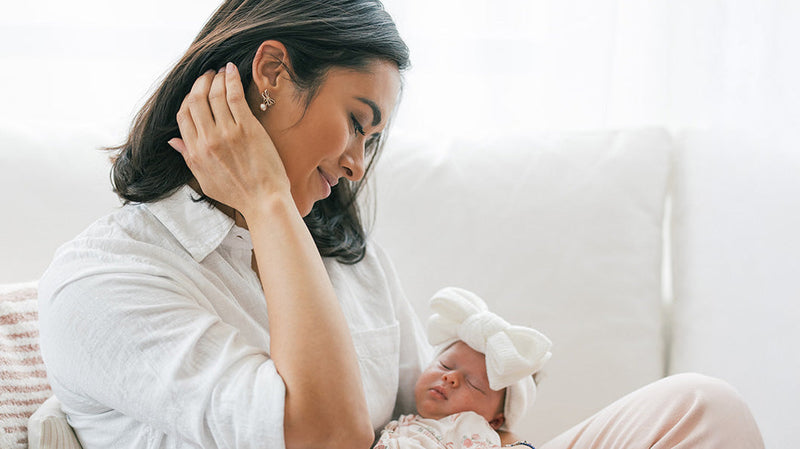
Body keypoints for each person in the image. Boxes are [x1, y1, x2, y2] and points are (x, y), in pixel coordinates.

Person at [37, 1, 765, 449]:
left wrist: (486, 401)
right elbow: (324, 436)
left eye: (373, 142)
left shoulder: (343, 255)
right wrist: (264, 202)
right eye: (357, 123)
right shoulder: (104, 283)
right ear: (270, 73)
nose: (356, 164)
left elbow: (424, 409)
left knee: (701, 408)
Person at [374, 287, 553, 449]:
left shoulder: (470, 428)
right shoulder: (409, 422)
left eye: (473, 384)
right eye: (444, 365)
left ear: (495, 422)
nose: (450, 377)